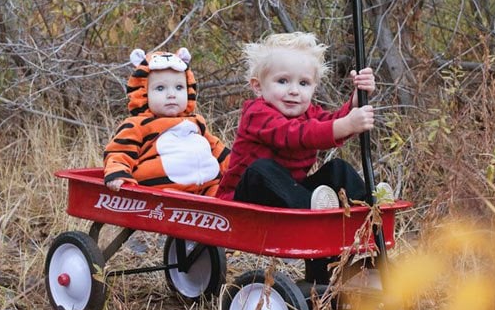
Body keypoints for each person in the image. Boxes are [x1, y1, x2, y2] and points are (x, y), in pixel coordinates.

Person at [216, 32, 393, 283]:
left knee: (337, 169)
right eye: (282, 81)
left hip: (292, 200)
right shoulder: (257, 113)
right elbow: (295, 135)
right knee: (261, 169)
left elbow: (329, 123)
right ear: (258, 86)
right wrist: (345, 125)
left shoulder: (308, 112)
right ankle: (317, 212)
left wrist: (355, 102)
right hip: (245, 202)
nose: (293, 92)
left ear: (313, 87)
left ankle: (370, 207)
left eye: (303, 84)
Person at [104, 47, 230, 196]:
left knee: (229, 195)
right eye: (160, 88)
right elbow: (120, 151)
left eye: (179, 87)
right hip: (161, 192)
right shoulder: (138, 125)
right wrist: (118, 173)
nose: (171, 94)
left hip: (207, 188)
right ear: (143, 93)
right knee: (168, 198)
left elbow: (217, 149)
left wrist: (239, 167)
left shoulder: (197, 122)